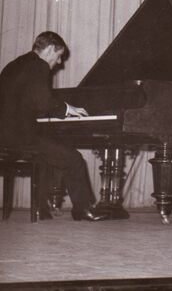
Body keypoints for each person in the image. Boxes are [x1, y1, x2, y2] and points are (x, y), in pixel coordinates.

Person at [0, 31, 108, 221]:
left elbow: (27, 102)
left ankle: (40, 209)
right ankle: (83, 209)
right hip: (20, 138)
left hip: (5, 136)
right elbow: (43, 102)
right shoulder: (39, 65)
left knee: (45, 156)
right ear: (50, 49)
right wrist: (67, 109)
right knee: (74, 158)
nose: (59, 62)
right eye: (59, 56)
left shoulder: (14, 65)